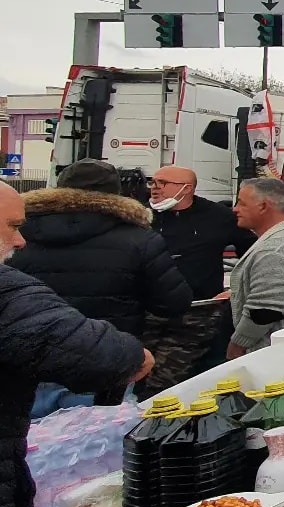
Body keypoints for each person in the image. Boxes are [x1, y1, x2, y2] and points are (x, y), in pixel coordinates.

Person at [0, 180, 155, 507]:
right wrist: (136, 356)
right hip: (81, 364)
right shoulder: (138, 239)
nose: (21, 241)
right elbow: (89, 350)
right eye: (12, 226)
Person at [9, 160, 189, 412]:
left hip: (27, 365)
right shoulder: (138, 239)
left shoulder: (15, 234)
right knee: (98, 445)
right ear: (116, 192)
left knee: (27, 445)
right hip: (106, 364)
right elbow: (173, 302)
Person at [142, 165, 255, 395]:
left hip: (197, 312)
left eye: (162, 183)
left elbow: (254, 254)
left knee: (164, 383)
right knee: (138, 375)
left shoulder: (217, 217)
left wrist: (237, 290)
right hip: (147, 312)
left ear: (187, 188)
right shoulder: (140, 216)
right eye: (153, 182)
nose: (155, 189)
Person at [225, 179, 284, 358]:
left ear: (263, 206)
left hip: (270, 355)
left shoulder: (273, 250)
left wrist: (237, 345)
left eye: (242, 203)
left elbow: (264, 311)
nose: (235, 209)